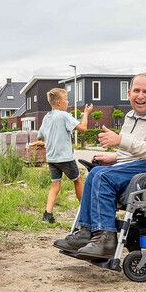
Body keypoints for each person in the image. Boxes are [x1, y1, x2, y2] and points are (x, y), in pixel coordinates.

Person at [53, 74, 146, 258]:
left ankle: (106, 239)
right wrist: (114, 157)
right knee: (96, 171)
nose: (140, 96)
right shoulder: (130, 116)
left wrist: (121, 141)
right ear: (129, 93)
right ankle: (86, 232)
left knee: (103, 177)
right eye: (136, 91)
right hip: (135, 165)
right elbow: (130, 151)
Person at [38, 88, 92, 224]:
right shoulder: (64, 115)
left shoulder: (47, 117)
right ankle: (86, 211)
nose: (68, 102)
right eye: (67, 99)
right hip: (65, 158)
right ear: (60, 103)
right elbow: (83, 128)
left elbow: (41, 136)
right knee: (78, 181)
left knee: (55, 185)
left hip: (52, 158)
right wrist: (86, 113)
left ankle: (47, 214)